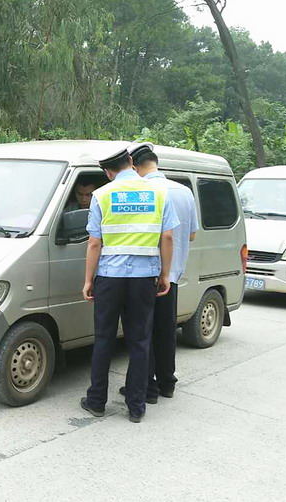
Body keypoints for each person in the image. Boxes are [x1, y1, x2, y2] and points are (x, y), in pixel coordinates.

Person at [80, 146, 179, 423]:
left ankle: (96, 401)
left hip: (109, 278)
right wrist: (165, 274)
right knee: (139, 341)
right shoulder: (159, 194)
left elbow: (94, 243)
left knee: (104, 339)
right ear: (131, 162)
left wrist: (88, 280)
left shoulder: (102, 195)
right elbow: (167, 238)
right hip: (144, 278)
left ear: (107, 172)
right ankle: (136, 406)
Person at [115, 142, 199, 402]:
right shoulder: (184, 192)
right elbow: (192, 235)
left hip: (144, 273)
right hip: (172, 276)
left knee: (142, 334)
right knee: (165, 330)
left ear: (134, 166)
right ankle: (167, 382)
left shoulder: (142, 192)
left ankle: (146, 388)